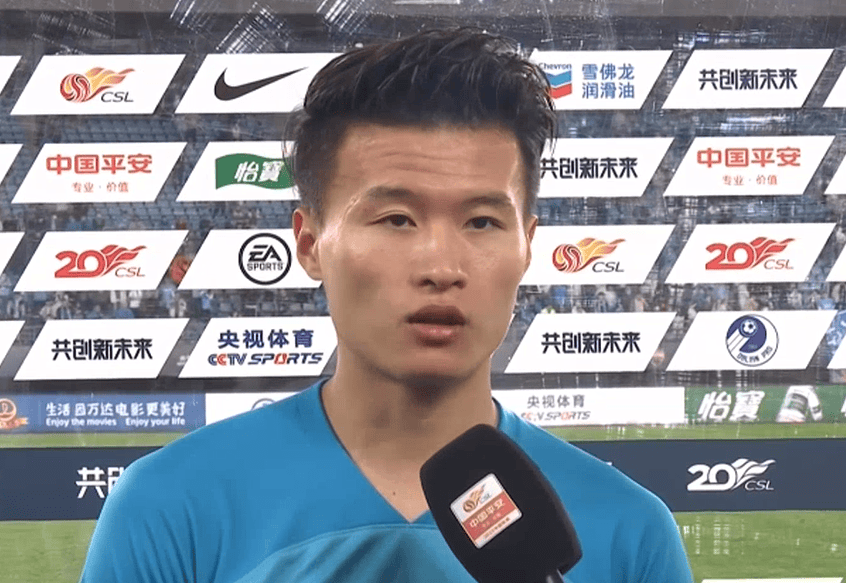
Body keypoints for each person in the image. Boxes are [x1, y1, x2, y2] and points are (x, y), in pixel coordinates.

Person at [79, 28, 693, 583]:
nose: (441, 268)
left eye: (482, 222)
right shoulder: (171, 506)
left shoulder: (630, 532)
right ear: (310, 244)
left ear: (527, 245)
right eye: (397, 219)